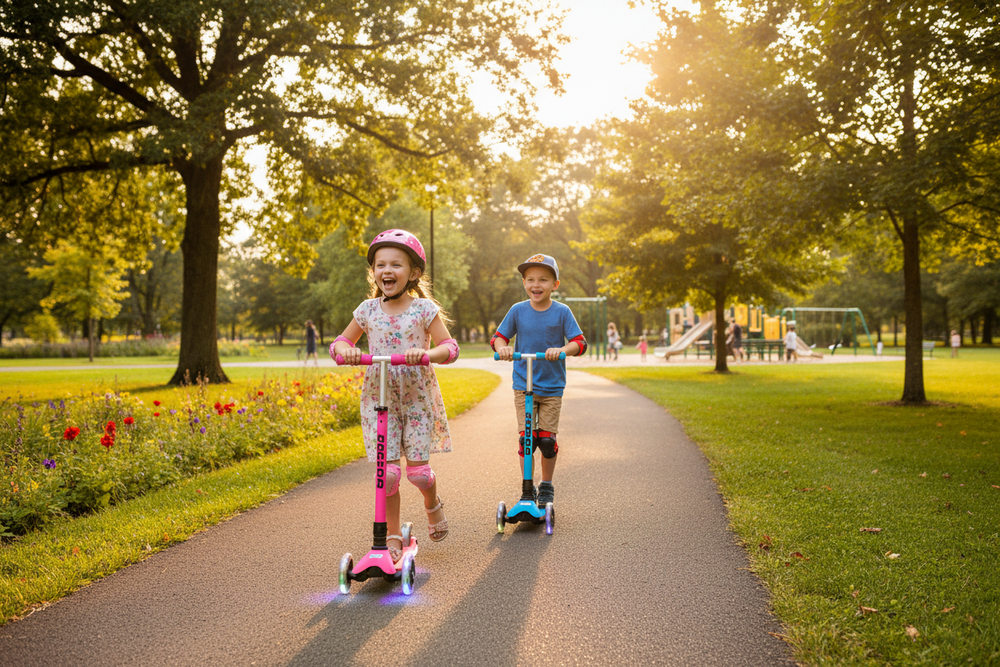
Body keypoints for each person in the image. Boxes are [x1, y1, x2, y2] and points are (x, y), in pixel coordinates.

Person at [330, 229, 461, 562]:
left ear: (413, 273)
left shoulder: (423, 310)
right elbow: (340, 343)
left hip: (416, 396)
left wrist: (427, 355)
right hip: (380, 397)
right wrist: (346, 351)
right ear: (373, 271)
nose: (387, 270)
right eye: (380, 265)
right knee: (386, 476)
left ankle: (432, 503)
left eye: (396, 265)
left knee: (418, 473)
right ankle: (389, 536)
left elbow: (450, 347)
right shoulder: (367, 310)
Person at [492, 253, 587, 510]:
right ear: (524, 282)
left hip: (552, 386)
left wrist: (563, 350)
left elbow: (579, 342)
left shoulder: (562, 312)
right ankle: (527, 488)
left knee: (546, 441)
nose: (537, 284)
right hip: (524, 385)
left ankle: (546, 484)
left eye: (543, 280)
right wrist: (503, 349)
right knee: (527, 440)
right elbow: (499, 337)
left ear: (555, 284)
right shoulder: (517, 310)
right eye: (531, 279)